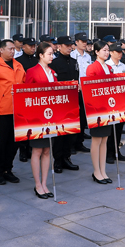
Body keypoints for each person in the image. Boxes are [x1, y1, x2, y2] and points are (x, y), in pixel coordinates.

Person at [0, 39, 26, 185]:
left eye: (14, 49)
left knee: (13, 143)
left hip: (17, 110)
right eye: (10, 48)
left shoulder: (18, 65)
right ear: (1, 50)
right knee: (0, 144)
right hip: (2, 110)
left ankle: (8, 169)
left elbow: (24, 84)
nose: (13, 51)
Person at [24, 42, 58, 199]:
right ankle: (37, 184)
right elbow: (26, 95)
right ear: (41, 55)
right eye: (49, 54)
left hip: (51, 117)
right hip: (37, 117)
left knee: (47, 150)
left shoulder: (53, 72)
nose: (52, 56)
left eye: (52, 53)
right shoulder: (32, 71)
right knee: (37, 150)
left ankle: (45, 183)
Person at [49, 36, 81, 173]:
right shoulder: (54, 63)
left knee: (70, 132)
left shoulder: (74, 62)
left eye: (70, 45)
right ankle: (58, 160)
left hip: (72, 101)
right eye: (66, 45)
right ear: (59, 46)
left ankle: (67, 158)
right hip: (59, 102)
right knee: (59, 134)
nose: (69, 47)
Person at [85, 41, 114, 184]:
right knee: (97, 140)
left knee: (105, 140)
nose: (106, 52)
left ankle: (103, 170)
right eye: (103, 50)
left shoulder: (109, 67)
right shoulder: (92, 67)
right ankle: (96, 171)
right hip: (97, 109)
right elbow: (90, 89)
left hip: (108, 108)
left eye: (108, 50)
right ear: (96, 52)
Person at [105, 44, 125, 164]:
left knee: (119, 128)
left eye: (121, 52)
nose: (120, 54)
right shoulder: (107, 65)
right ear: (111, 52)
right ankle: (108, 153)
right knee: (110, 128)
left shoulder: (123, 66)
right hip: (110, 101)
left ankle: (116, 151)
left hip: (121, 100)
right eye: (117, 51)